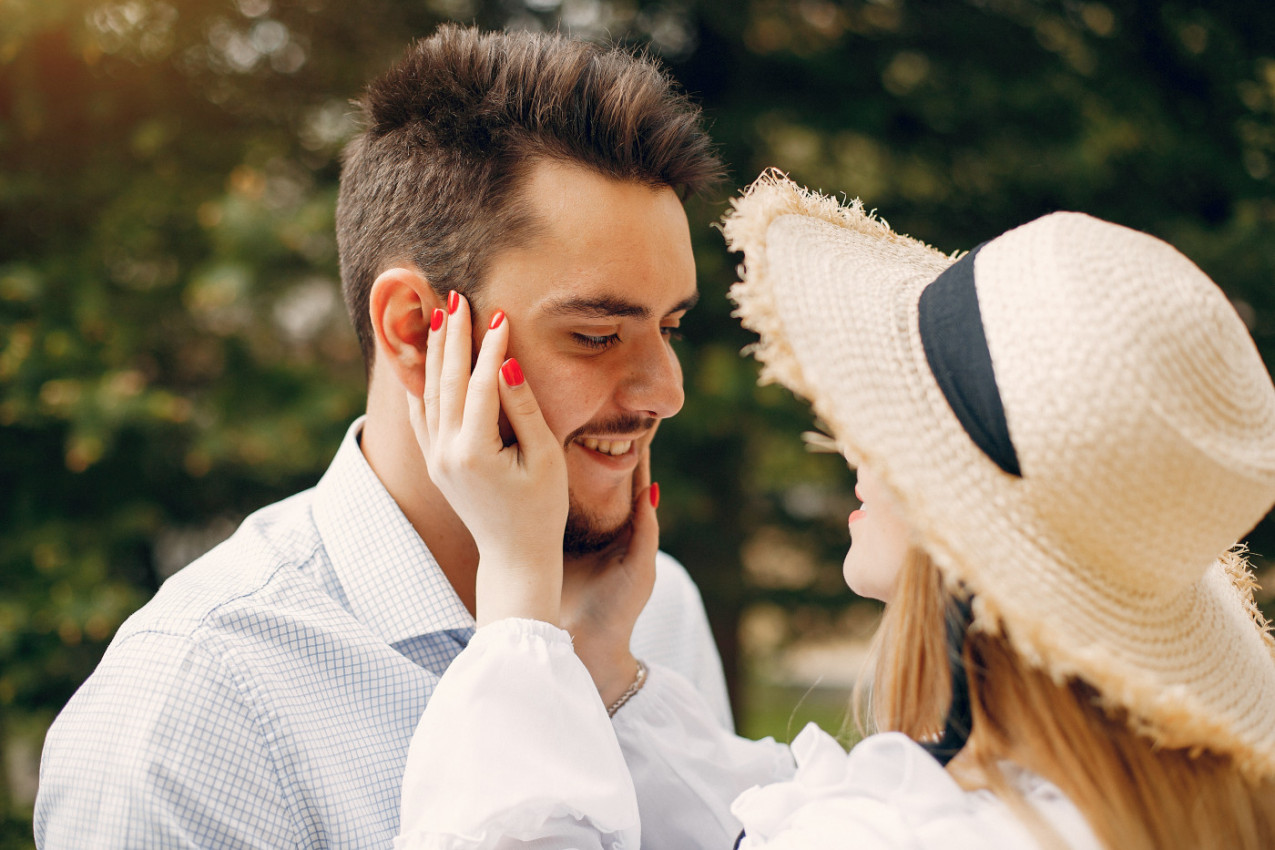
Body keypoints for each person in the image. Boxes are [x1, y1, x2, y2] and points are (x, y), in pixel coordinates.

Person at [393, 171, 1275, 849]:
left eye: (895, 423)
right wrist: (599, 660)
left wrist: (516, 597)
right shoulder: (1090, 803)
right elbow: (744, 824)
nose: (853, 442)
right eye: (595, 335)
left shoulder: (900, 831)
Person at [34, 26, 758, 848]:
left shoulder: (654, 610)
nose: (666, 392)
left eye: (669, 328)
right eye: (596, 336)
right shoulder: (192, 709)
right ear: (415, 331)